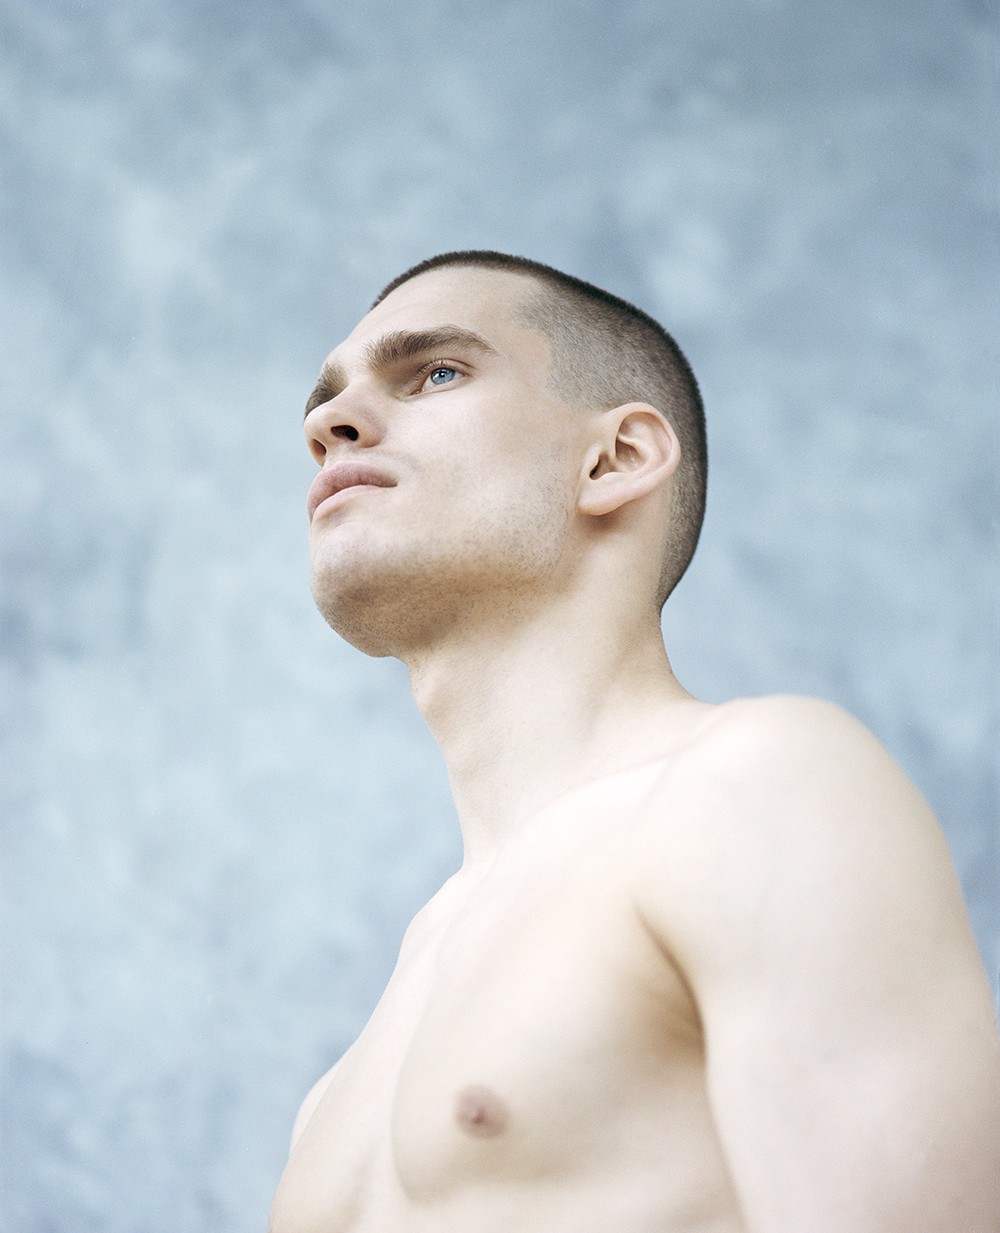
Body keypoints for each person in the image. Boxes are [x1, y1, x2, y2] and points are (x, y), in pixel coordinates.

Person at [268, 251, 999, 1232]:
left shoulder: (764, 787)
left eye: (434, 372)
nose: (331, 422)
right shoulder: (343, 1083)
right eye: (326, 404)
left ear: (613, 460)